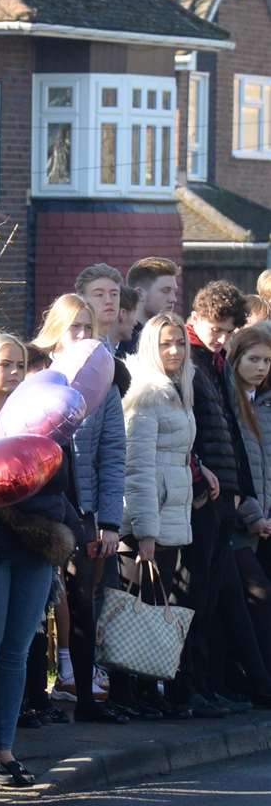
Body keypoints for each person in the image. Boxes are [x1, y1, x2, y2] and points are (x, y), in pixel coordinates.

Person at [0, 329, 75, 787]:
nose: (10, 374)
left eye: (16, 365)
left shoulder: (40, 422)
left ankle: (5, 746)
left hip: (35, 545)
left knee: (17, 648)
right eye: (1, 364)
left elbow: (65, 488)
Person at [38, 294, 128, 725]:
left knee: (83, 599)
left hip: (86, 509)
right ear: (56, 330)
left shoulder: (105, 381)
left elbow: (113, 453)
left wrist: (109, 521)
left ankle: (86, 698)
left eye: (88, 328)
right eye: (73, 327)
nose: (82, 336)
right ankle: (35, 696)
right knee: (37, 602)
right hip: (41, 504)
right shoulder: (38, 374)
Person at [177, 282, 254, 719]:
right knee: (196, 595)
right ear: (197, 317)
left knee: (210, 598)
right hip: (201, 497)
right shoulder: (188, 360)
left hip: (223, 494)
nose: (221, 338)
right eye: (216, 328)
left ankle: (207, 685)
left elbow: (229, 428)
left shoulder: (214, 360)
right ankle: (191, 688)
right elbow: (196, 428)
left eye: (228, 331)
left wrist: (241, 486)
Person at [119, 314, 198, 717]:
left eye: (180, 343)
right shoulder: (147, 394)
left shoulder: (176, 390)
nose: (175, 350)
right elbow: (138, 469)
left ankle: (149, 690)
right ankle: (129, 691)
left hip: (171, 513)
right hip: (146, 520)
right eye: (166, 343)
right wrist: (145, 532)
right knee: (138, 606)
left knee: (153, 607)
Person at [223, 323, 271, 704]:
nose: (261, 367)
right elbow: (236, 466)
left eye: (267, 361)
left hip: (265, 523)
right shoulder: (230, 404)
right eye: (253, 359)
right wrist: (252, 513)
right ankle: (257, 682)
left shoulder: (264, 404)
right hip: (240, 524)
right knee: (256, 596)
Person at [123, 257, 181, 355]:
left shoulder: (176, 339)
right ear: (140, 294)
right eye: (166, 290)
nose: (173, 299)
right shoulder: (122, 341)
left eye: (174, 291)